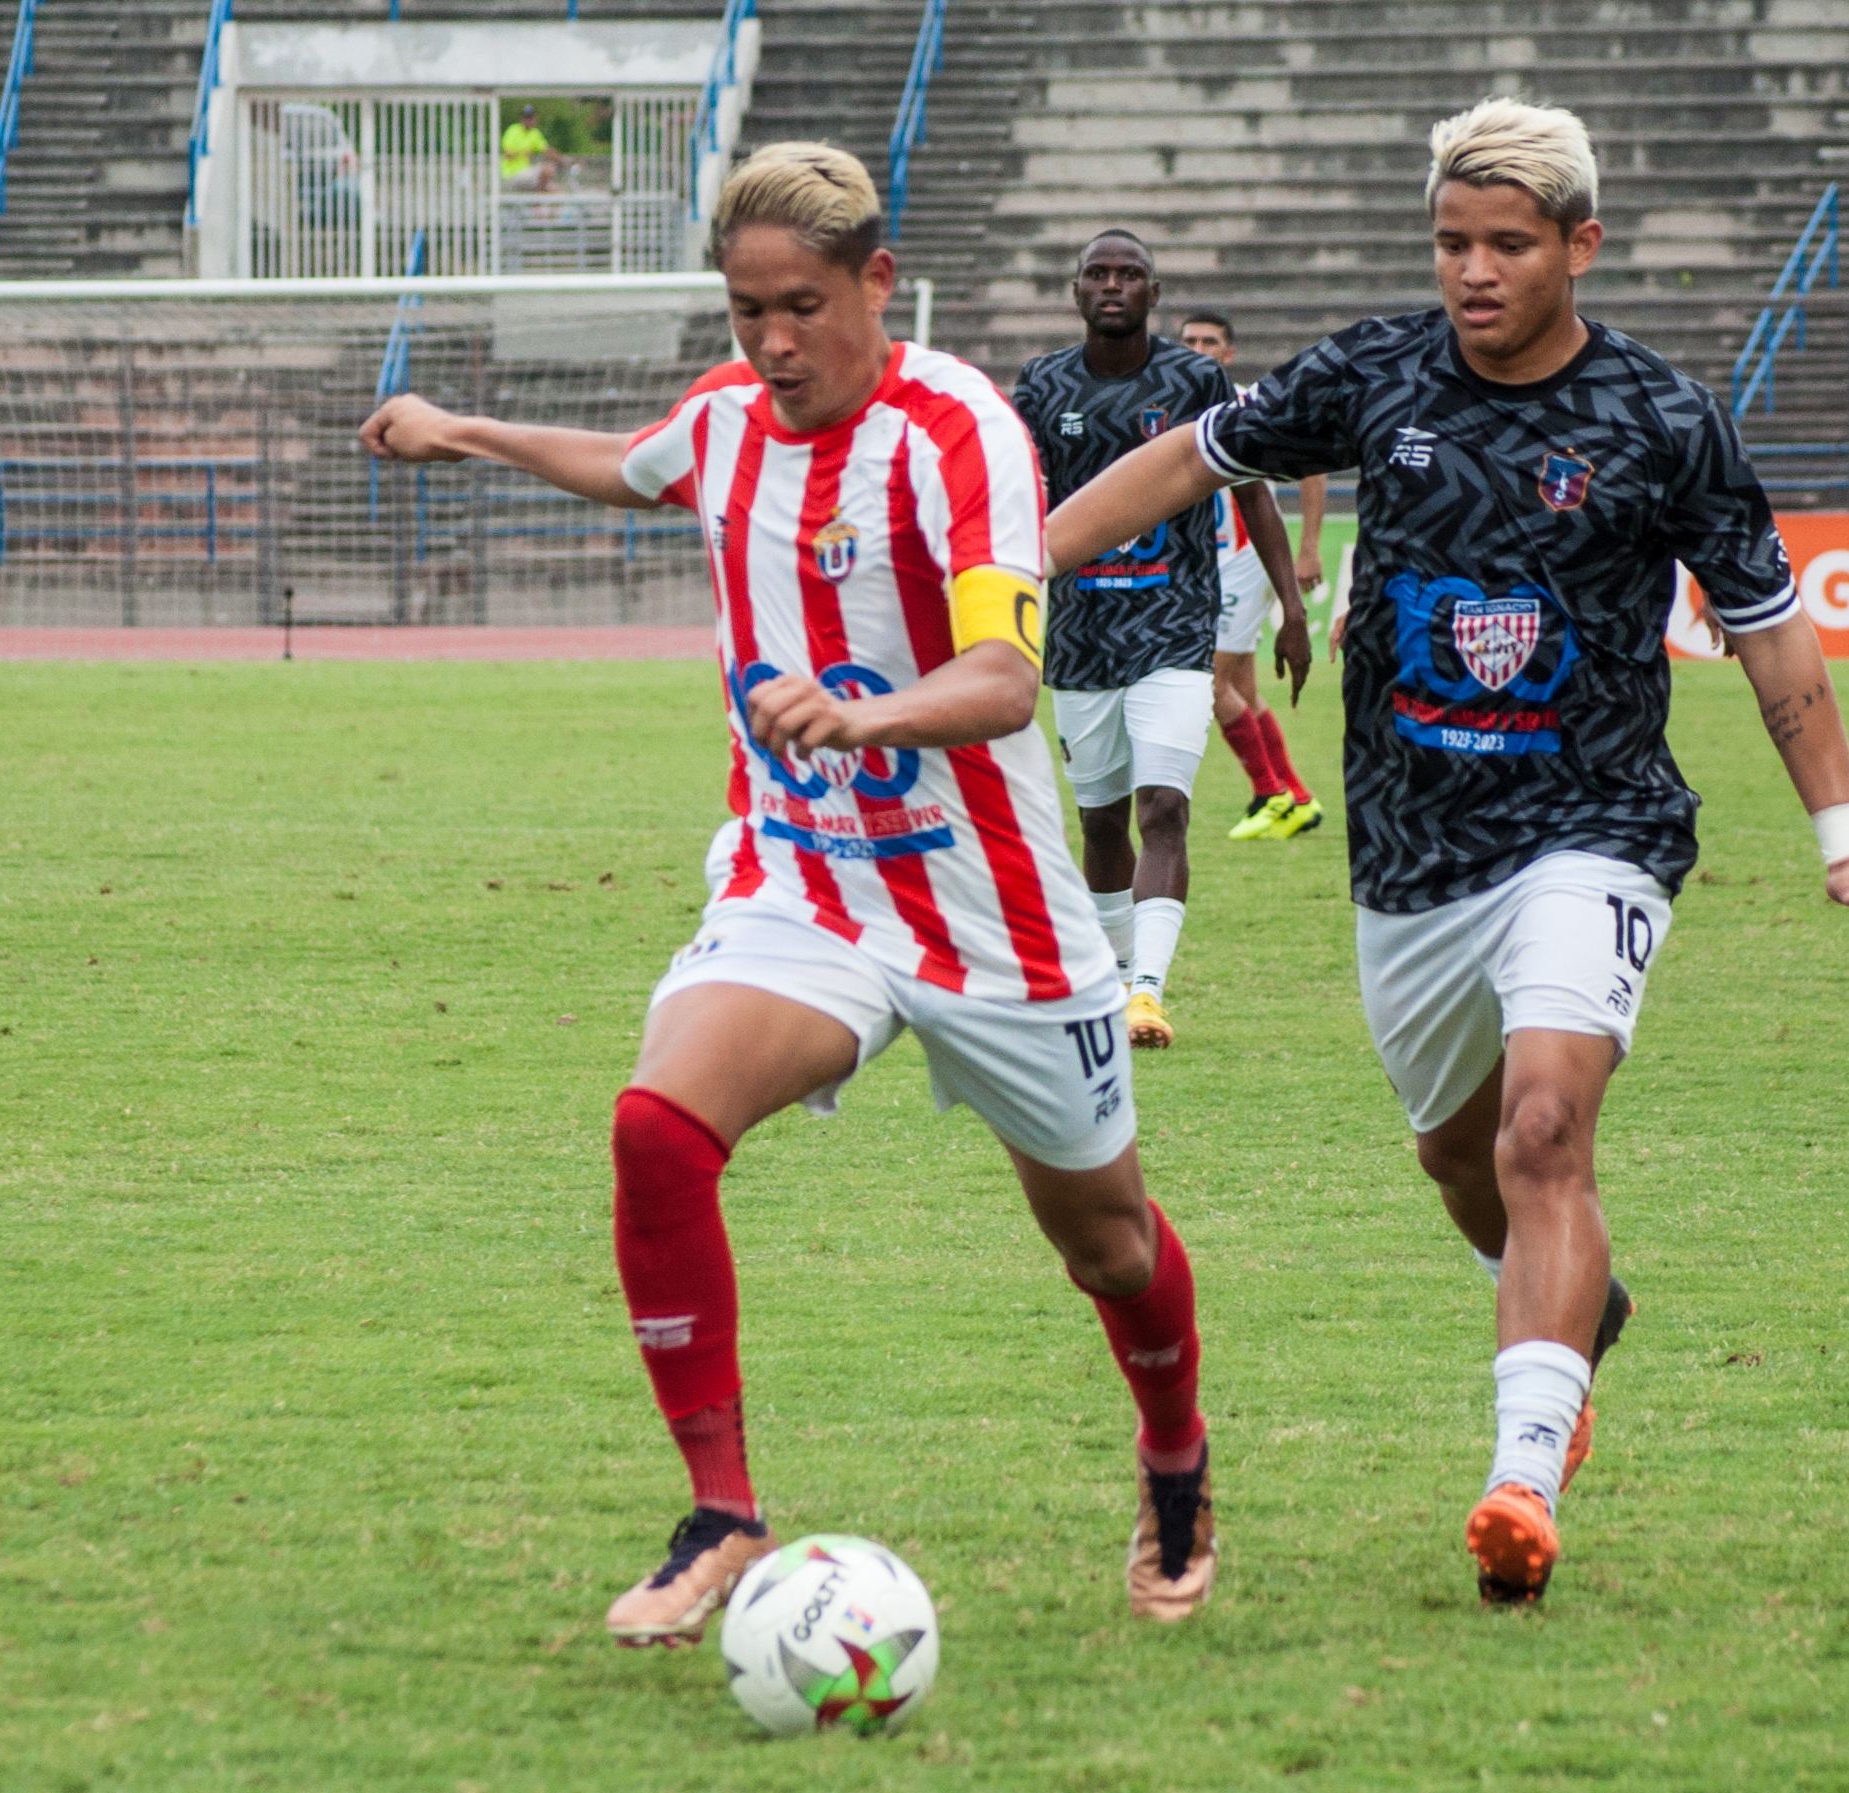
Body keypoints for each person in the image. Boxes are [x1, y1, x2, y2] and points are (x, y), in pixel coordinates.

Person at [1043, 98, 1849, 1606]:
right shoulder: (1373, 369)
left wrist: (1843, 838)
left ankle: (1523, 1477)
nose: (1474, 271)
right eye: (1453, 242)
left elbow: (1769, 623)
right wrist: (1018, 559)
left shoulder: (1665, 422)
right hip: (1409, 852)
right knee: (1458, 1160)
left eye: (1508, 245)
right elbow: (1186, 462)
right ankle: (1566, 1314)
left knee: (1546, 1133)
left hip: (1594, 830)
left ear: (1579, 247)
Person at [357, 144, 1221, 1642]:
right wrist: (457, 430)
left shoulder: (966, 434)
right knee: (656, 1127)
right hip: (803, 880)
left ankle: (1174, 1458)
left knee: (1109, 1245)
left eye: (801, 307)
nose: (771, 343)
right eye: (747, 309)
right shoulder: (723, 424)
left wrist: (860, 712)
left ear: (877, 284)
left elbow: (1007, 677)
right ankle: (721, 1513)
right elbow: (627, 464)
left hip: (992, 907)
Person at [1013, 235, 1310, 1049]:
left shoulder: (1195, 379)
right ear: (1075, 290)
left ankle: (1147, 991)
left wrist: (1291, 605)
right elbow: (1008, 498)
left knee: (1164, 808)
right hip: (1077, 637)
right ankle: (1112, 979)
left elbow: (1249, 490)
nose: (1113, 286)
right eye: (1098, 274)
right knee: (1102, 822)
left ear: (1155, 291)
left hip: (1176, 626)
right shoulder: (1041, 385)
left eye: (1130, 275)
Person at [1175, 310, 1324, 840]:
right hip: (1212, 563)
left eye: (1209, 341)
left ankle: (1270, 793)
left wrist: (1308, 548)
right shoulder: (1170, 401)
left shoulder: (1247, 404)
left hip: (1244, 557)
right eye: (1188, 339)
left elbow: (1311, 463)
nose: (1197, 348)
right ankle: (1297, 797)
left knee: (1208, 683)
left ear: (1228, 353)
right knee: (1241, 686)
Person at [500, 105, 555, 192]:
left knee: (555, 191)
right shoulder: (513, 130)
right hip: (512, 175)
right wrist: (523, 154)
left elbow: (547, 150)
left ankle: (538, 203)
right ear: (522, 119)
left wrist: (563, 159)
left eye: (531, 117)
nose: (529, 120)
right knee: (547, 169)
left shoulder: (534, 133)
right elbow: (507, 154)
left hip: (527, 176)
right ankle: (538, 203)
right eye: (527, 117)